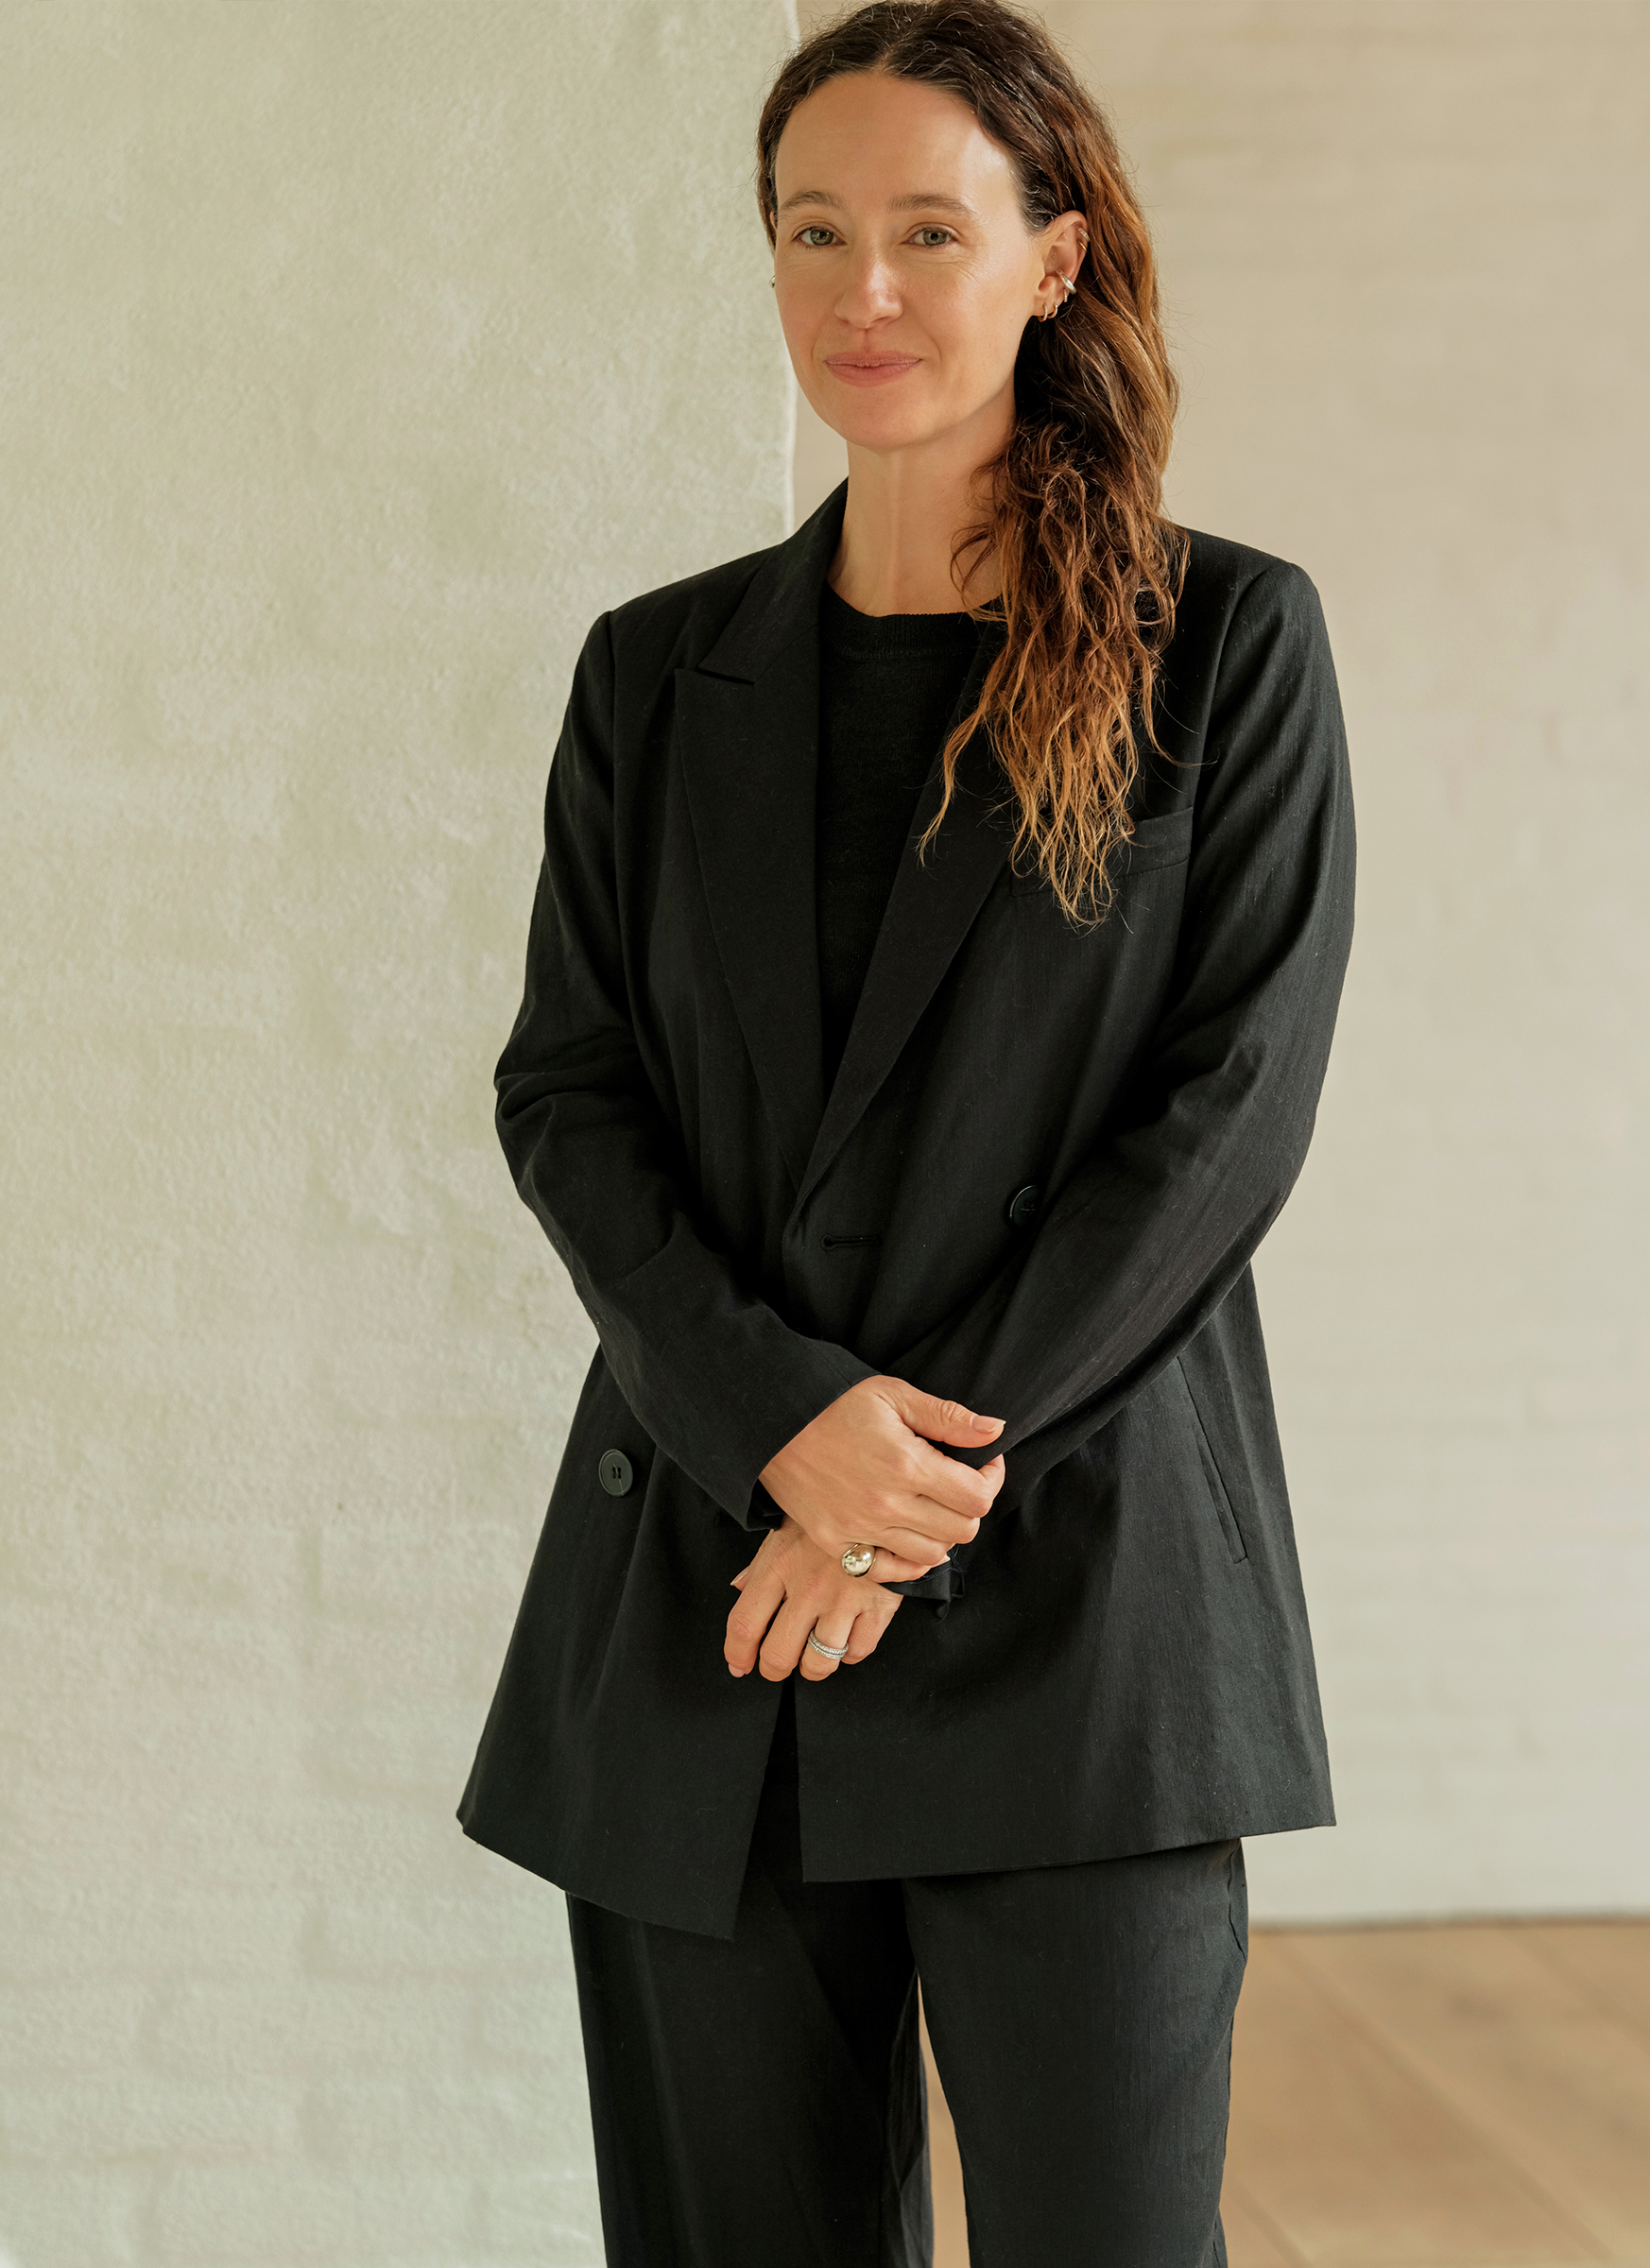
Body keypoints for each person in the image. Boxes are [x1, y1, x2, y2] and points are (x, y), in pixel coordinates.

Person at [457, 4, 1355, 2261]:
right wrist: (782, 1433)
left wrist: (880, 1505)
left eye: (927, 231)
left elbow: (1220, 1123)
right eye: (812, 230)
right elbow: (570, 1096)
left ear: (1052, 261)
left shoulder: (1221, 646)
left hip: (1077, 1619)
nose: (862, 290)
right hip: (707, 1612)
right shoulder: (655, 677)